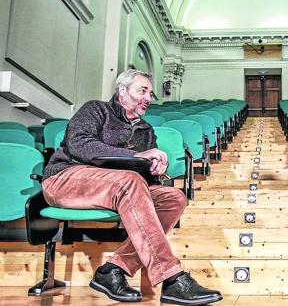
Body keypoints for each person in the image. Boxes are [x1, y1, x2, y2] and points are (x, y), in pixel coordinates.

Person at [42, 69, 222, 305]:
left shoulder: (146, 130)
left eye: (150, 93)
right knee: (129, 181)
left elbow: (139, 180)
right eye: (142, 91)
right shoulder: (96, 109)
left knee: (173, 197)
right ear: (122, 91)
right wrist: (137, 155)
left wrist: (154, 171)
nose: (148, 98)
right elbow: (80, 145)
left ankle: (112, 270)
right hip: (67, 178)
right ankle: (171, 278)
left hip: (115, 187)